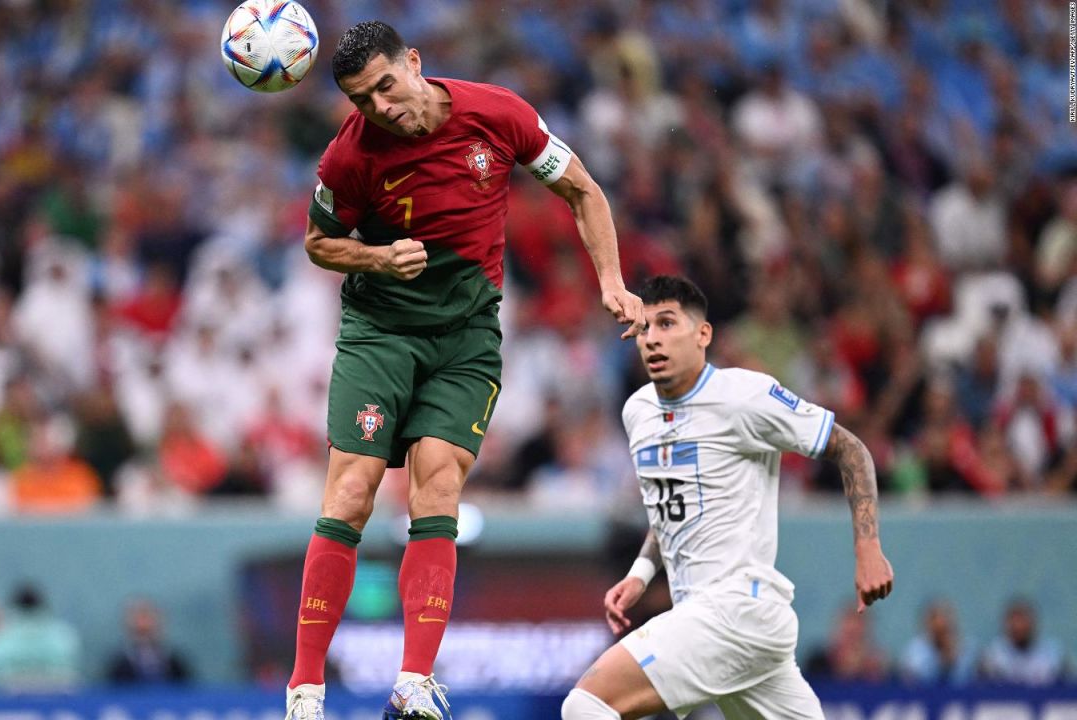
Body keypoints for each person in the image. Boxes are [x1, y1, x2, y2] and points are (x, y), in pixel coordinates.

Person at [285, 20, 645, 720]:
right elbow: (319, 242)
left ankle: (413, 684)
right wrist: (378, 257)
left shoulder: (498, 114)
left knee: (439, 484)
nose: (381, 108)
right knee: (354, 491)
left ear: (415, 63)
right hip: (381, 333)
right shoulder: (349, 158)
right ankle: (305, 691)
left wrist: (611, 280)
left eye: (387, 86)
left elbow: (582, 190)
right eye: (363, 100)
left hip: (466, 335)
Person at [561, 276, 894, 720]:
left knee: (586, 705)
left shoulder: (744, 396)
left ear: (703, 335)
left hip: (734, 609)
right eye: (645, 328)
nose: (653, 339)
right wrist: (641, 573)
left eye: (667, 323)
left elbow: (851, 449)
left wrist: (868, 548)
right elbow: (669, 508)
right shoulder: (637, 411)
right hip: (732, 626)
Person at [979, 598, 1068, 686]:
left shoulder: (1052, 654)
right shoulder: (993, 655)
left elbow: (1067, 689)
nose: (1019, 627)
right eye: (1014, 622)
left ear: (1033, 623)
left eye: (1023, 621)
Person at [106, 599, 193, 686]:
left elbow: (190, 689)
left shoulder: (174, 663)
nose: (143, 624)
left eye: (147, 630)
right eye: (140, 631)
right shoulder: (118, 665)